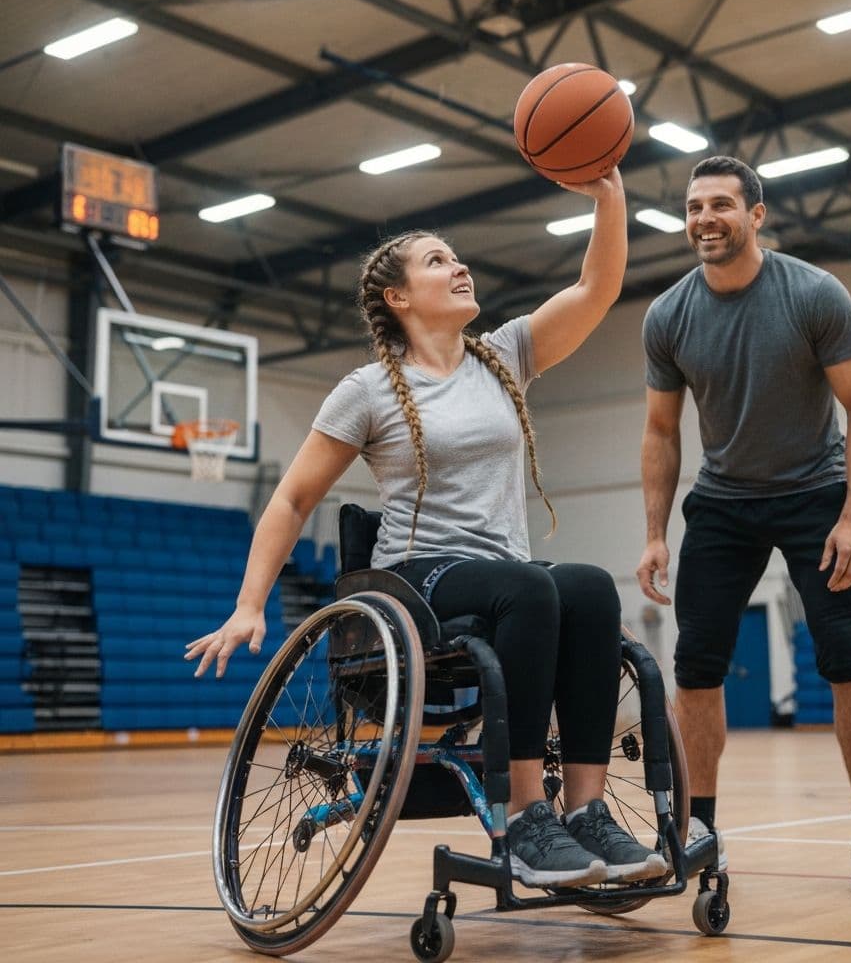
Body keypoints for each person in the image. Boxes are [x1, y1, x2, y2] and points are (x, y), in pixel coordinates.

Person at [186, 167, 668, 890]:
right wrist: (249, 603)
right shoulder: (369, 390)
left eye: (456, 255)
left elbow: (595, 290)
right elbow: (290, 501)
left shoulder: (503, 355)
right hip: (417, 580)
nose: (459, 264)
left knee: (591, 589)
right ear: (398, 296)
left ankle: (587, 812)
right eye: (437, 259)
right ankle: (528, 819)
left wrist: (609, 199)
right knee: (529, 591)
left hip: (504, 576)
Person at [636, 155, 851, 895]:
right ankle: (700, 831)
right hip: (722, 502)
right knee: (696, 666)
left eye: (720, 205)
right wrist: (656, 531)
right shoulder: (669, 315)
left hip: (816, 492)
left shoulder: (814, 293)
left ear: (756, 215)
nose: (704, 220)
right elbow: (661, 432)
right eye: (693, 208)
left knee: (847, 655)